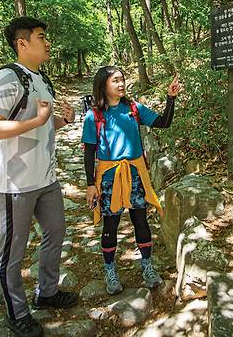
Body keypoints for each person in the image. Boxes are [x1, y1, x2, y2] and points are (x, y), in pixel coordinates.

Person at [0, 17, 78, 337]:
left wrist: (62, 120)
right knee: (13, 251)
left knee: (56, 233)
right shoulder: (7, 78)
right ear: (22, 43)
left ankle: (47, 292)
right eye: (40, 37)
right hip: (15, 183)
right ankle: (17, 313)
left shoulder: (43, 80)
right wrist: (37, 121)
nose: (47, 42)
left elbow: (44, 126)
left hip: (46, 179)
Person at [81, 66, 183, 295]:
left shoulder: (134, 109)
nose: (121, 84)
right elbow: (89, 151)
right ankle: (110, 269)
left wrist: (171, 98)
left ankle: (147, 266)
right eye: (115, 80)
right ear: (103, 85)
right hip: (109, 177)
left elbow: (163, 122)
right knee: (110, 225)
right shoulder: (94, 115)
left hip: (136, 173)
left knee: (141, 221)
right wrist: (90, 184)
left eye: (122, 79)